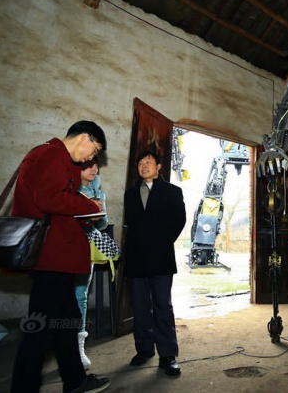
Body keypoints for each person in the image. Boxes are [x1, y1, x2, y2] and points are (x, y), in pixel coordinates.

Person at [10, 121, 111, 393]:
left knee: (67, 321)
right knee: (40, 329)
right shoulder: (52, 154)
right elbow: (49, 199)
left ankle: (75, 380)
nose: (91, 158)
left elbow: (57, 207)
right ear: (84, 138)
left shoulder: (59, 158)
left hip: (59, 256)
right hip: (51, 257)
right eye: (94, 151)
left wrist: (86, 213)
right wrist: (88, 205)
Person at [123, 150, 186, 376]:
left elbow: (179, 220)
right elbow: (131, 223)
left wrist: (163, 240)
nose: (144, 165)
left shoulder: (172, 191)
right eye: (140, 163)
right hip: (136, 258)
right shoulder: (130, 194)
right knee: (140, 306)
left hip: (161, 257)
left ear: (159, 166)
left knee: (163, 306)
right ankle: (144, 349)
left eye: (148, 162)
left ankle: (168, 355)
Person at [75, 157, 109, 370]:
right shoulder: (68, 189)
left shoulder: (98, 191)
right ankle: (58, 342)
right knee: (59, 294)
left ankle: (79, 347)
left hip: (87, 246)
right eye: (89, 165)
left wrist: (99, 215)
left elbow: (104, 224)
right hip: (64, 246)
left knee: (81, 294)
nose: (94, 169)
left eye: (96, 166)